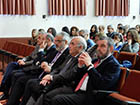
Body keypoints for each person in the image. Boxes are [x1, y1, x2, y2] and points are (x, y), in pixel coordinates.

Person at [51, 36, 121, 105]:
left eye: (102, 46)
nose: (98, 49)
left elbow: (102, 84)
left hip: (91, 96)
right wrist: (80, 66)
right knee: (51, 92)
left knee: (57, 100)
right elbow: (78, 77)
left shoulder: (114, 65)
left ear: (111, 49)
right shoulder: (95, 61)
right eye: (98, 46)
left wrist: (90, 66)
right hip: (78, 90)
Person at [6, 32, 70, 105]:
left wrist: (49, 70)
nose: (55, 43)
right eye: (55, 40)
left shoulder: (67, 53)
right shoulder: (56, 50)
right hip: (42, 72)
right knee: (18, 75)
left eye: (57, 41)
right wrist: (45, 62)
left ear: (65, 42)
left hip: (49, 77)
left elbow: (61, 70)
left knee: (27, 81)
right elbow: (41, 60)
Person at [19, 36, 87, 105]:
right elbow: (59, 68)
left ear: (80, 47)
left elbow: (70, 75)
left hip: (67, 85)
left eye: (72, 44)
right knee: (38, 87)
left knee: (46, 94)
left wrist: (52, 78)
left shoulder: (81, 59)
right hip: (58, 80)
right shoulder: (70, 56)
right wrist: (50, 76)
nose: (69, 46)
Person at [0, 31, 48, 100]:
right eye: (38, 38)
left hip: (31, 66)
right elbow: (30, 56)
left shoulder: (44, 50)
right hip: (26, 63)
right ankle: (3, 87)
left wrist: (25, 63)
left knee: (14, 73)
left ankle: (9, 94)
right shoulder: (37, 46)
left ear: (44, 40)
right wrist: (24, 59)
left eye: (40, 38)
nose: (37, 39)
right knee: (11, 65)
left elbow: (36, 61)